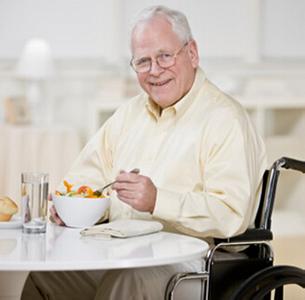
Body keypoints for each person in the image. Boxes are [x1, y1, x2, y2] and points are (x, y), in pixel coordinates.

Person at [22, 5, 267, 300]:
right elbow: (87, 179)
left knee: (129, 280)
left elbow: (230, 214)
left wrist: (157, 200)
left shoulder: (225, 119)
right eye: (143, 61)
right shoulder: (128, 114)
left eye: (164, 56)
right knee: (42, 279)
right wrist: (71, 209)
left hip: (193, 263)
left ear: (192, 53)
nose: (154, 71)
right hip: (119, 252)